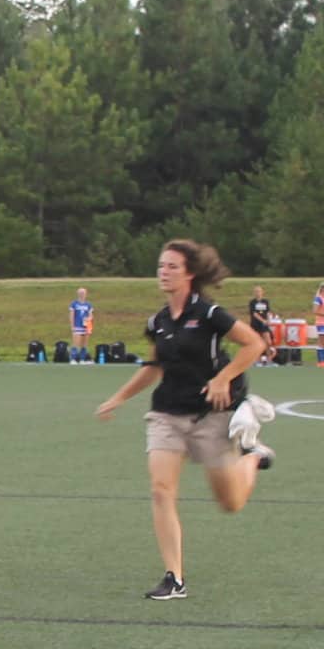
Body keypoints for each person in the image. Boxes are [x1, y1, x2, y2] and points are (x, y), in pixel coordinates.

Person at [94, 240, 276, 601]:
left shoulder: (209, 314)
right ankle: (174, 578)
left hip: (212, 413)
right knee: (161, 489)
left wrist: (224, 378)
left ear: (190, 273)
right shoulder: (157, 322)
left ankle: (252, 455)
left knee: (231, 503)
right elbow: (154, 366)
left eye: (172, 266)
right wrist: (117, 398)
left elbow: (254, 344)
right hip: (167, 414)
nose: (164, 271)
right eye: (161, 265)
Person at [68, 287, 94, 363]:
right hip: (77, 325)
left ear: (86, 294)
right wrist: (72, 326)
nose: (82, 294)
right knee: (76, 343)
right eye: (80, 293)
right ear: (78, 294)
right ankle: (73, 359)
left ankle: (82, 359)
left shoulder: (88, 304)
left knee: (84, 344)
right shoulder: (74, 304)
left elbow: (91, 315)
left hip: (86, 326)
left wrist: (89, 319)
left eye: (83, 293)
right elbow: (71, 315)